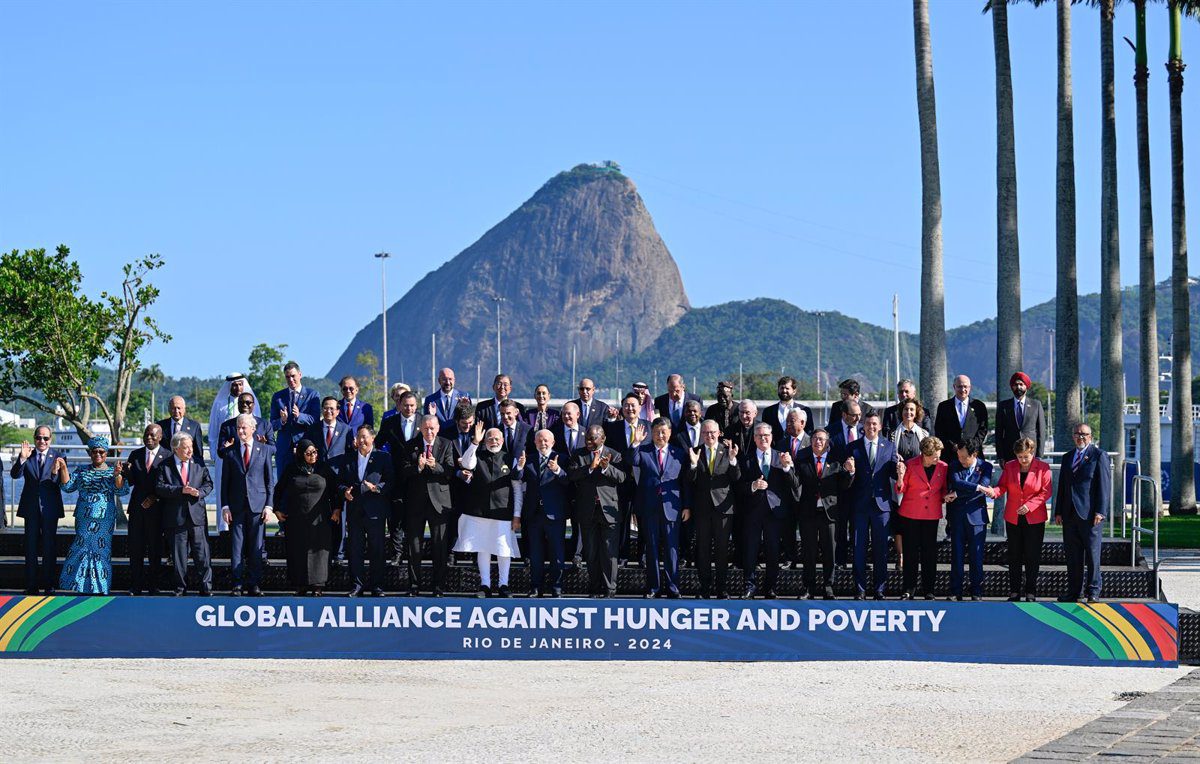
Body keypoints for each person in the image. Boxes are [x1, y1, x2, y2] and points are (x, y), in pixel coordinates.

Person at [54, 436, 128, 595]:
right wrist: (64, 468)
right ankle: (77, 586)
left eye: (102, 452)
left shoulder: (111, 471)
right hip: (84, 518)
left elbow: (121, 490)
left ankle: (100, 588)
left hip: (104, 519)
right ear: (90, 453)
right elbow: (67, 487)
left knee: (101, 552)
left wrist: (117, 475)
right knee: (80, 549)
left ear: (106, 453)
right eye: (95, 451)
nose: (98, 455)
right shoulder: (82, 470)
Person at [981, 437, 1052, 602]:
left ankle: (1030, 592)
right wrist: (994, 492)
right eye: (1020, 457)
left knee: (1032, 555)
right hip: (1013, 518)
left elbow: (1045, 492)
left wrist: (1030, 505)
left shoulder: (1043, 468)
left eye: (1026, 457)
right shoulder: (1011, 466)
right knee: (1014, 555)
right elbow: (1003, 485)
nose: (1023, 460)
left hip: (1034, 518)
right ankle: (1014, 591)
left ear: (1032, 453)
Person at [456, 424, 523, 597]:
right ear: (485, 441)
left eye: (496, 438)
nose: (493, 441)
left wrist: (517, 515)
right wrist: (475, 442)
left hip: (503, 512)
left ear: (502, 440)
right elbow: (466, 463)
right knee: (483, 548)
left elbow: (517, 490)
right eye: (490, 439)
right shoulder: (477, 455)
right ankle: (485, 585)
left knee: (503, 549)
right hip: (479, 511)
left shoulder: (510, 458)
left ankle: (503, 585)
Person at [629, 418, 690, 599]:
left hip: (672, 507)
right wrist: (636, 442)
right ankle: (653, 587)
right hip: (649, 508)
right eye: (657, 432)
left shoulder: (679, 453)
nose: (660, 435)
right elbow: (631, 460)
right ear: (652, 433)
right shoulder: (644, 451)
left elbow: (685, 482)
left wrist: (687, 506)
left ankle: (673, 587)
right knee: (652, 549)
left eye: (664, 432)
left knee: (672, 550)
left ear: (670, 433)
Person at [738, 422, 800, 599]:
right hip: (752, 512)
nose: (763, 438)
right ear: (755, 438)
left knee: (773, 552)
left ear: (772, 437)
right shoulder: (746, 459)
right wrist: (752, 485)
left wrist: (787, 467)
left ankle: (770, 588)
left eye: (766, 435)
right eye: (759, 436)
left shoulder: (781, 457)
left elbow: (794, 484)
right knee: (750, 551)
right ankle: (749, 586)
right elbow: (738, 487)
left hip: (775, 512)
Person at [273, 439, 341, 595]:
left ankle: (318, 585)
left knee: (319, 553)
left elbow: (335, 490)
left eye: (315, 452)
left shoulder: (324, 468)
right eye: (308, 453)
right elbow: (278, 490)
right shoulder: (292, 469)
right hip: (296, 519)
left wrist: (337, 509)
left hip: (320, 519)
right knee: (297, 550)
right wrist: (276, 510)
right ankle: (300, 584)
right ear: (301, 454)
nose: (312, 456)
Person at [220, 414, 277, 596]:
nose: (241, 431)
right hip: (236, 507)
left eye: (244, 427)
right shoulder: (229, 452)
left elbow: (269, 481)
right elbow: (225, 482)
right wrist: (225, 506)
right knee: (237, 547)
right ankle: (237, 583)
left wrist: (269, 506)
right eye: (239, 428)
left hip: (258, 507)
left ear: (253, 429)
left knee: (256, 547)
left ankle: (254, 584)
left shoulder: (265, 450)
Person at [567, 425, 626, 598]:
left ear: (603, 438)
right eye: (587, 439)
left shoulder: (614, 454)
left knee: (609, 552)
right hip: (587, 510)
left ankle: (610, 589)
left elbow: (622, 478)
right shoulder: (579, 454)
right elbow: (572, 476)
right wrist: (590, 468)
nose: (589, 442)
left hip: (609, 510)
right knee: (591, 552)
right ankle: (594, 588)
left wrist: (607, 468)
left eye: (593, 438)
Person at [1054, 423, 1110, 603]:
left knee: (1093, 556)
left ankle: (1093, 591)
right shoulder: (1067, 457)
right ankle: (1074, 592)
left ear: (1091, 437)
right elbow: (1062, 486)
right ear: (1073, 436)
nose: (1081, 437)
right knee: (1073, 556)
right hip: (1069, 514)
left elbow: (1104, 486)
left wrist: (1101, 511)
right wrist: (1058, 511)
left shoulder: (1098, 456)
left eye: (1084, 434)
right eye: (1077, 434)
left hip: (1090, 515)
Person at [845, 413, 900, 600]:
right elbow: (847, 479)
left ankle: (879, 589)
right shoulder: (853, 447)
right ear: (863, 425)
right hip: (859, 504)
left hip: (881, 505)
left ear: (880, 426)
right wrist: (850, 471)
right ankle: (859, 589)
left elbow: (894, 473)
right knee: (858, 547)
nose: (871, 427)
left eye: (875, 424)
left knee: (881, 550)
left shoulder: (889, 446)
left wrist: (900, 471)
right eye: (868, 423)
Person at [401, 415, 455, 595]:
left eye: (432, 428)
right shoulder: (410, 445)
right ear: (420, 429)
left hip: (439, 503)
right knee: (414, 547)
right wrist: (417, 467)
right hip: (415, 503)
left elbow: (450, 471)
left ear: (438, 428)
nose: (429, 432)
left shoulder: (446, 444)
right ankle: (414, 586)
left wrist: (435, 467)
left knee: (439, 546)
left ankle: (438, 586)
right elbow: (403, 472)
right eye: (426, 428)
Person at [797, 429, 854, 600]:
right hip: (808, 513)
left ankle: (828, 586)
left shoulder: (836, 461)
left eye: (821, 439)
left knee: (830, 552)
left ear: (827, 443)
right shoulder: (802, 459)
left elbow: (844, 485)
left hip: (829, 514)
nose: (818, 442)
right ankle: (809, 587)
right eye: (814, 439)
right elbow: (796, 483)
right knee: (809, 552)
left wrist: (850, 472)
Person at [155, 432, 214, 596]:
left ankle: (206, 588)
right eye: (186, 447)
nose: (190, 451)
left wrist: (199, 492)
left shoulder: (199, 463)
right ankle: (181, 588)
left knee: (202, 554)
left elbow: (209, 484)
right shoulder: (164, 465)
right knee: (179, 556)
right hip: (176, 517)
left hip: (197, 516)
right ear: (176, 449)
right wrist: (181, 490)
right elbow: (160, 488)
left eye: (191, 446)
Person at [688, 420, 740, 598]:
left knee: (722, 550)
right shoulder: (695, 451)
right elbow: (689, 481)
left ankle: (721, 588)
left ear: (719, 433)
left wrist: (733, 461)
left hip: (723, 509)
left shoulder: (728, 452)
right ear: (701, 434)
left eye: (712, 432)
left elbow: (736, 478)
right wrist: (693, 465)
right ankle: (704, 588)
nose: (709, 436)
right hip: (702, 509)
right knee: (702, 550)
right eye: (705, 433)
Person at [11, 426, 66, 594]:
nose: (42, 441)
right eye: (39, 437)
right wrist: (22, 458)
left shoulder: (59, 456)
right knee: (31, 548)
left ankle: (49, 585)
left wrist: (56, 472)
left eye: (45, 438)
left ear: (51, 439)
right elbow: (15, 475)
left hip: (50, 508)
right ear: (34, 438)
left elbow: (62, 483)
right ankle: (31, 585)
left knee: (49, 548)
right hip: (31, 508)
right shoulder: (28, 455)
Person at [894, 436, 950, 600]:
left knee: (929, 554)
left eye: (939, 454)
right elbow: (900, 489)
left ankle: (929, 590)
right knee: (910, 554)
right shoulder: (911, 464)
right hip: (910, 515)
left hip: (931, 516)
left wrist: (947, 496)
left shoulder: (943, 467)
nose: (938, 458)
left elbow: (944, 489)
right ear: (925, 454)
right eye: (935, 455)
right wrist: (899, 477)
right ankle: (908, 589)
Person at [341, 425, 393, 597]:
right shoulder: (348, 458)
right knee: (355, 549)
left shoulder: (383, 457)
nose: (361, 440)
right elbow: (340, 482)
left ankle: (377, 586)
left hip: (375, 510)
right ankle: (357, 585)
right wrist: (344, 491)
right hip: (355, 510)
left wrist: (377, 488)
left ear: (372, 438)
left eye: (364, 437)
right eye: (359, 437)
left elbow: (390, 481)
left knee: (376, 549)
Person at [994, 371, 1047, 534]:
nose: (1018, 387)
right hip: (1011, 458)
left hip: (1031, 457)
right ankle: (1013, 526)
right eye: (1016, 384)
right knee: (1013, 494)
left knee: (1031, 490)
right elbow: (999, 433)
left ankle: (1030, 526)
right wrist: (1001, 456)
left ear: (1026, 387)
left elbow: (1041, 432)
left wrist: (1039, 455)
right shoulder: (1003, 406)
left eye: (1021, 384)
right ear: (1012, 387)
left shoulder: (1036, 404)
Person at [519, 430, 571, 597]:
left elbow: (568, 481)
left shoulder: (562, 459)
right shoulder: (529, 459)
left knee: (557, 553)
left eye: (546, 440)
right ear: (535, 442)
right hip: (534, 514)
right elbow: (517, 477)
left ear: (553, 442)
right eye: (540, 440)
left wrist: (557, 470)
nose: (543, 443)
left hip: (554, 513)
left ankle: (557, 587)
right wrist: (519, 466)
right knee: (535, 553)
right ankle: (536, 587)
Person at [209, 373, 262, 534]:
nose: (237, 388)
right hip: (225, 457)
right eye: (234, 385)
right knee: (224, 489)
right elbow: (213, 433)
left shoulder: (252, 402)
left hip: (247, 456)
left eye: (240, 384)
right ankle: (224, 527)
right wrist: (216, 455)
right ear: (229, 386)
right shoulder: (219, 404)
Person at [604, 394, 651, 566]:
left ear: (640, 408)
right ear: (622, 408)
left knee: (644, 521)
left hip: (643, 482)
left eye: (633, 405)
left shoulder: (649, 427)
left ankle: (643, 556)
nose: (630, 409)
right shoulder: (612, 428)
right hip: (621, 481)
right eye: (626, 405)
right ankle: (623, 555)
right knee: (622, 520)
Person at [125, 423, 169, 595]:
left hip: (158, 509)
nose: (148, 438)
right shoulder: (135, 455)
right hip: (137, 508)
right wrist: (126, 473)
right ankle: (136, 585)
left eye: (152, 435)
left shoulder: (168, 456)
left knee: (155, 549)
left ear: (159, 437)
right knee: (135, 548)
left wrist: (156, 497)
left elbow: (170, 483)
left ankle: (153, 585)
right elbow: (131, 481)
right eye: (146, 435)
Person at [945, 441, 993, 601]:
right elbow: (957, 483)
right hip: (957, 517)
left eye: (964, 457)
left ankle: (976, 591)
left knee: (976, 556)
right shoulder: (953, 465)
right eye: (959, 456)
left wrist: (958, 494)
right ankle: (955, 591)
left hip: (977, 517)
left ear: (974, 455)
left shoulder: (986, 466)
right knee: (956, 556)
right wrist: (977, 487)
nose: (961, 460)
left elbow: (983, 487)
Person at [377, 389, 419, 563]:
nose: (409, 409)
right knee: (395, 518)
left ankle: (412, 553)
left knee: (414, 517)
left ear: (416, 406)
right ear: (399, 405)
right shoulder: (390, 422)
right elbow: (378, 443)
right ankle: (397, 553)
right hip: (396, 476)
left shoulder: (423, 420)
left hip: (417, 476)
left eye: (412, 406)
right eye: (405, 405)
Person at [887, 398, 929, 570]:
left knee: (915, 523)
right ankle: (901, 556)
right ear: (901, 412)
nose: (909, 413)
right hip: (898, 482)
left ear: (917, 412)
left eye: (912, 410)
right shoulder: (891, 434)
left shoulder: (924, 435)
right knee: (899, 522)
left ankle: (914, 555)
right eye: (905, 410)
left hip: (917, 486)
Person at [270, 362, 322, 480]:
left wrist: (299, 416)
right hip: (284, 450)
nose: (291, 379)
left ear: (300, 374)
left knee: (304, 483)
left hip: (304, 447)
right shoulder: (278, 397)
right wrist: (282, 421)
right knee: (283, 485)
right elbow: (272, 424)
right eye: (287, 377)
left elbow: (315, 420)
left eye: (293, 376)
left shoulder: (312, 395)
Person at [773, 408, 811, 569]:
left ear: (802, 423)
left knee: (806, 531)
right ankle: (790, 557)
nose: (787, 424)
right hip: (786, 494)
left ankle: (808, 559)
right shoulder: (781, 443)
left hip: (806, 494)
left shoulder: (812, 442)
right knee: (787, 529)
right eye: (787, 420)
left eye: (791, 421)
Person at [828, 400, 863, 568]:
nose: (857, 418)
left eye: (859, 415)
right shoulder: (831, 432)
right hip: (839, 487)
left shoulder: (865, 430)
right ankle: (840, 560)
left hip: (860, 487)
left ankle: (858, 560)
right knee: (840, 527)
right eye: (853, 415)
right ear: (844, 415)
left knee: (858, 528)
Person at [933, 374, 989, 463]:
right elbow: (939, 430)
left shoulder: (979, 406)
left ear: (970, 387)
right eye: (959, 386)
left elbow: (983, 429)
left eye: (965, 386)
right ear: (954, 387)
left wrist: (971, 447)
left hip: (973, 455)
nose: (963, 390)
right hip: (950, 456)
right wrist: (952, 446)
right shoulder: (944, 406)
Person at [216, 392, 273, 459]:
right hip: (235, 467)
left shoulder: (265, 424)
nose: (244, 405)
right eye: (241, 402)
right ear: (237, 405)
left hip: (258, 467)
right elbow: (220, 453)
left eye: (248, 402)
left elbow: (273, 449)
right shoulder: (227, 426)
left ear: (253, 405)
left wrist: (262, 447)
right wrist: (229, 449)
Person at [158, 396, 206, 465]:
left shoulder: (194, 426)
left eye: (179, 408)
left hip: (186, 467)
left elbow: (198, 452)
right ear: (169, 409)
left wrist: (199, 468)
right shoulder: (161, 425)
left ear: (184, 409)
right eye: (173, 408)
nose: (176, 411)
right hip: (165, 467)